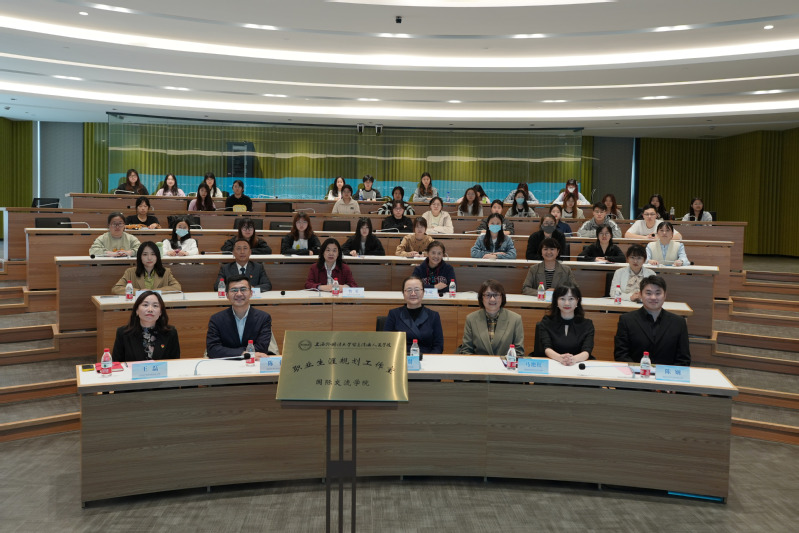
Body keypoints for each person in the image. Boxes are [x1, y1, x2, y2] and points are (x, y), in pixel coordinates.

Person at [614, 275, 691, 366]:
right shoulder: (626, 320)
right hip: (635, 373)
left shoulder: (679, 323)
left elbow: (683, 359)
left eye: (658, 293)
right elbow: (621, 355)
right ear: (640, 295)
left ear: (665, 295)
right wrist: (639, 370)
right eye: (648, 293)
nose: (653, 297)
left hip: (667, 373)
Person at [206, 274, 273, 359]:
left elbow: (262, 348)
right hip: (226, 364)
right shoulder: (216, 319)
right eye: (234, 290)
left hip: (253, 363)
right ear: (227, 295)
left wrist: (230, 352)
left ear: (251, 293)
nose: (239, 294)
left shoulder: (263, 318)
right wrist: (242, 353)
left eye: (243, 289)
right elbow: (212, 349)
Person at [458, 279, 524, 356]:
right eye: (488, 295)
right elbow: (466, 351)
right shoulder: (471, 319)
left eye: (496, 295)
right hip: (479, 363)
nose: (492, 299)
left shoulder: (515, 319)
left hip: (505, 363)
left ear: (502, 297)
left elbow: (519, 353)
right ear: (481, 298)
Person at [532, 284, 594, 366]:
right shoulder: (547, 322)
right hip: (553, 364)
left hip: (577, 364)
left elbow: (587, 351)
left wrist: (573, 359)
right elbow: (547, 348)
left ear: (577, 301)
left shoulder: (587, 325)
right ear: (556, 300)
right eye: (562, 299)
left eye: (571, 299)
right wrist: (560, 358)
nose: (567, 303)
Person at [112, 291, 180, 362]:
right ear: (137, 310)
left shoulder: (171, 333)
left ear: (160, 312)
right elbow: (116, 363)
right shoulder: (123, 333)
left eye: (155, 306)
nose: (150, 310)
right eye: (145, 305)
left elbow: (175, 363)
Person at [383, 276, 444, 355]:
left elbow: (438, 346)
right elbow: (386, 342)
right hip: (400, 357)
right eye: (409, 290)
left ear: (423, 292)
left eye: (417, 290)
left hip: (426, 357)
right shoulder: (393, 314)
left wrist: (429, 358)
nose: (413, 293)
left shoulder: (434, 316)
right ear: (403, 293)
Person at [112, 241, 182, 294]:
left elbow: (177, 287)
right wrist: (139, 291)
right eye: (145, 254)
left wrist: (155, 291)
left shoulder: (166, 272)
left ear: (157, 256)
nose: (149, 258)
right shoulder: (130, 272)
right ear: (140, 257)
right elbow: (116, 288)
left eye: (153, 254)